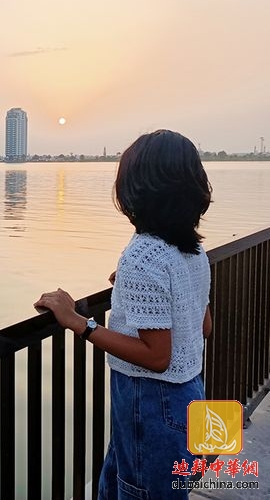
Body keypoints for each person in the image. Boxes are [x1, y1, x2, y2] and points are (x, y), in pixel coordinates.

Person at [34, 130, 213, 499]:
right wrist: (137, 289)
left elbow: (157, 357)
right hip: (190, 397)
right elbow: (204, 325)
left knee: (139, 491)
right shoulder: (193, 252)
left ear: (136, 190)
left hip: (152, 404)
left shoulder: (143, 254)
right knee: (121, 486)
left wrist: (80, 323)